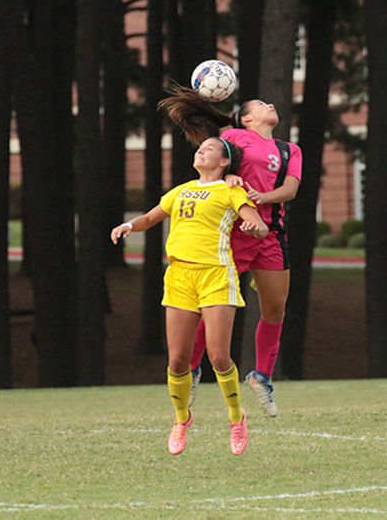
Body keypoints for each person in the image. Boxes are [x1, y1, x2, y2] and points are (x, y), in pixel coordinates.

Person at [111, 137, 268, 456]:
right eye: (200, 148)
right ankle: (182, 419)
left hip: (215, 274)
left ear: (224, 162)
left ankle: (236, 416)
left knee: (219, 357)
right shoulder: (181, 190)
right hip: (180, 276)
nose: (201, 150)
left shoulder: (231, 189)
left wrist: (254, 226)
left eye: (209, 148)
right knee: (178, 359)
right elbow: (151, 218)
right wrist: (129, 224)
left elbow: (257, 223)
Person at [158, 85, 302, 418]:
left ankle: (261, 376)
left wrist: (265, 198)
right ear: (247, 118)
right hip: (234, 234)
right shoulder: (235, 136)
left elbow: (291, 189)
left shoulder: (289, 149)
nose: (271, 104)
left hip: (269, 233)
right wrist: (233, 177)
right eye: (262, 103)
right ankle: (192, 370)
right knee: (213, 308)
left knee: (276, 309)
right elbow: (216, 163)